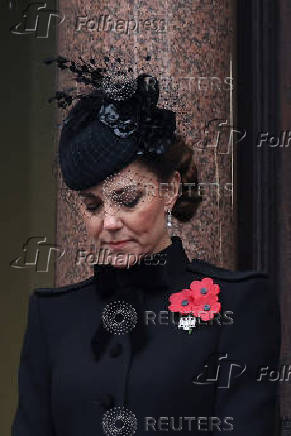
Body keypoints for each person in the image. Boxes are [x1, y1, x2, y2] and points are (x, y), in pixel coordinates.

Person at [11, 58, 281, 436]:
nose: (107, 222)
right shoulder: (52, 317)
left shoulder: (240, 304)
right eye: (92, 205)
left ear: (169, 190)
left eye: (128, 198)